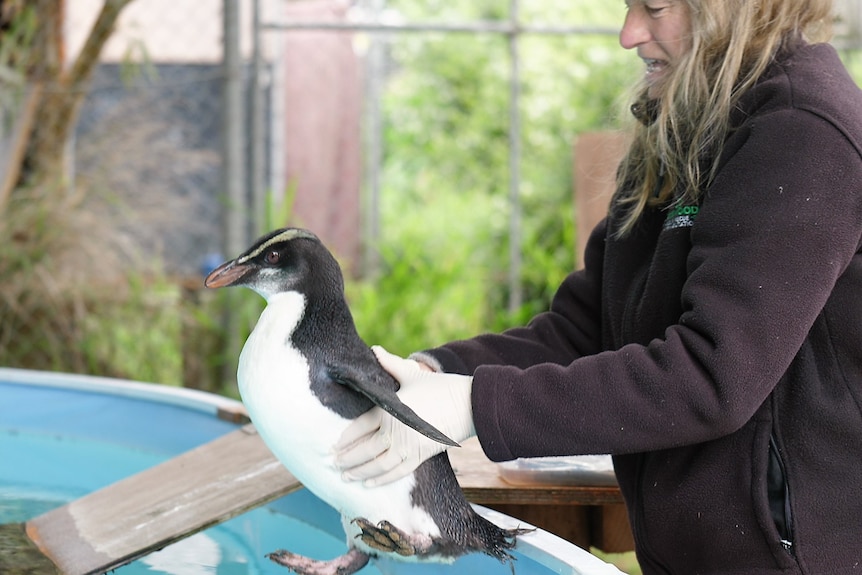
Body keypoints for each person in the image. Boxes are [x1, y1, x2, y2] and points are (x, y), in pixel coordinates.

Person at [335, 0, 862, 573]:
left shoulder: (801, 132)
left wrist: (471, 407)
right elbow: (588, 327)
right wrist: (435, 374)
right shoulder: (687, 119)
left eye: (654, 8)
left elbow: (713, 377)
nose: (628, 33)